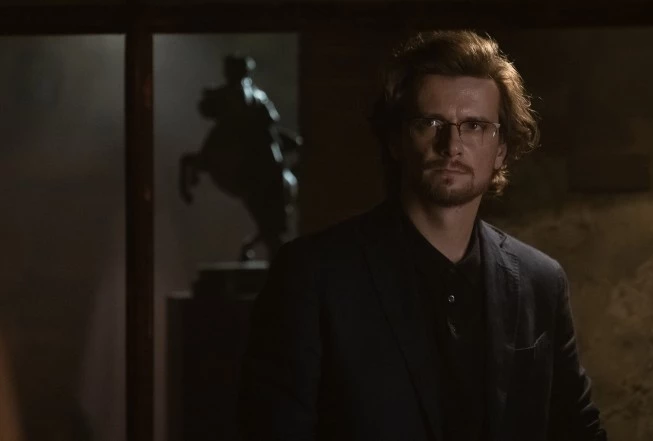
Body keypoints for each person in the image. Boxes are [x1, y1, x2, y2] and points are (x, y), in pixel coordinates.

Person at [239, 30, 607, 441]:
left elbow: (579, 431)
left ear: (501, 148)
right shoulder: (313, 275)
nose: (452, 145)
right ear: (397, 140)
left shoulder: (541, 282)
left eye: (474, 125)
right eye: (430, 122)